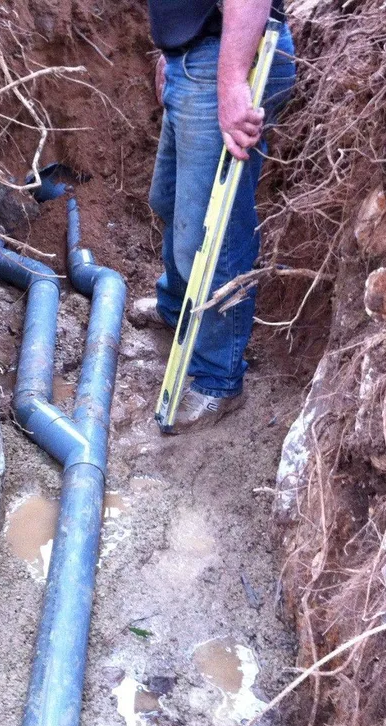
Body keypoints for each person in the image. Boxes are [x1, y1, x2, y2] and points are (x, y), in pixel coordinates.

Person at [135, 0, 296, 433]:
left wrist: (229, 82)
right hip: (195, 60)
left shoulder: (225, 70)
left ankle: (218, 377)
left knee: (213, 237)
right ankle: (177, 307)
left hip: (227, 58)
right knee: (168, 201)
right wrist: (172, 51)